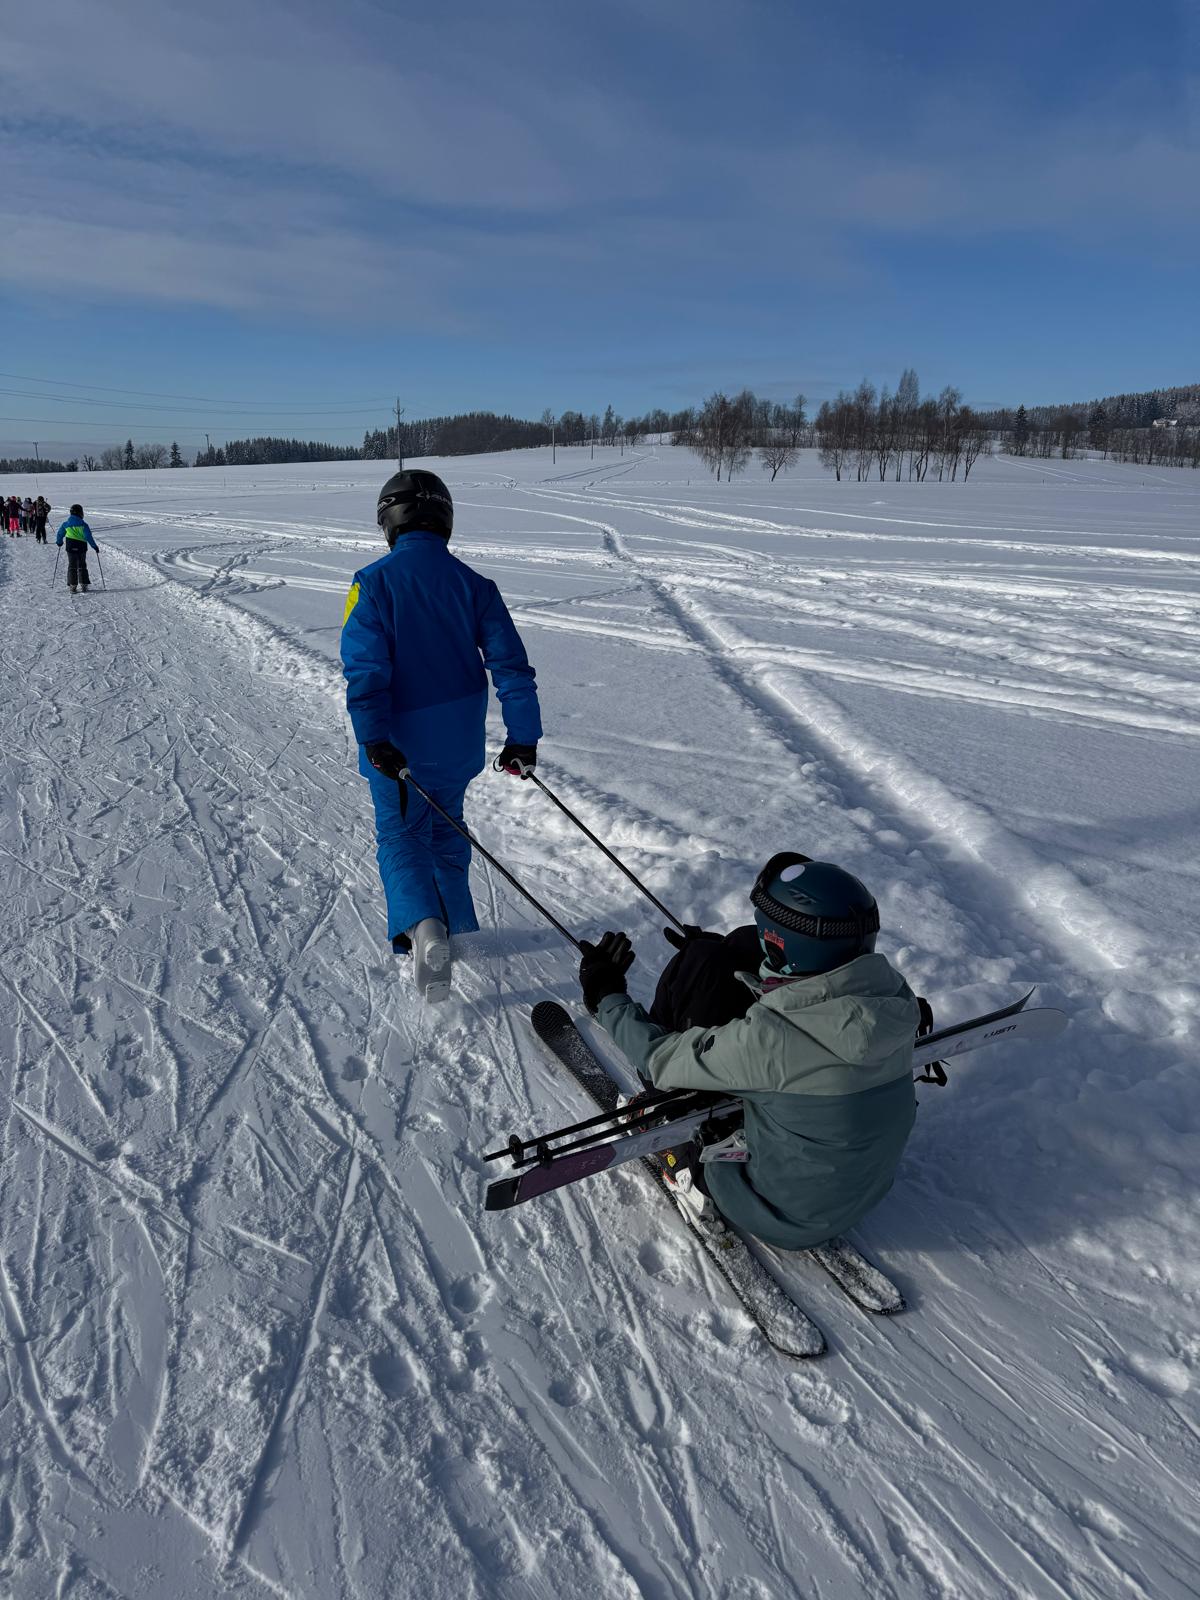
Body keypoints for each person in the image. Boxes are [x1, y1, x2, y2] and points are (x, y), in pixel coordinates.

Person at [576, 854, 922, 1251]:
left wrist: (607, 995)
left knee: (679, 1088)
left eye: (766, 935)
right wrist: (719, 960)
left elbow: (660, 1057)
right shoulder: (894, 998)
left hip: (779, 1212)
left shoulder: (771, 1043)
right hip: (865, 1191)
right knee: (723, 954)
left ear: (783, 945)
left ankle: (687, 1166)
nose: (760, 938)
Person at [340, 470, 543, 1002]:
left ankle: (426, 927)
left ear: (389, 520)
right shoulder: (476, 586)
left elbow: (365, 671)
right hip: (457, 742)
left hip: (398, 743)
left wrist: (373, 738)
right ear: (444, 518)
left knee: (401, 834)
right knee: (448, 827)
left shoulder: (371, 583)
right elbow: (512, 668)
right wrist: (523, 738)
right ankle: (454, 923)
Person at [55, 503, 100, 593]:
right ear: (80, 513)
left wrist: (59, 542)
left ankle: (73, 585)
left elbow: (60, 534)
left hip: (70, 546)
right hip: (81, 547)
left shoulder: (65, 524)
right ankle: (84, 584)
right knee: (82, 564)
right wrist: (94, 546)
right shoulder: (84, 525)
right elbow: (88, 537)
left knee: (72, 565)